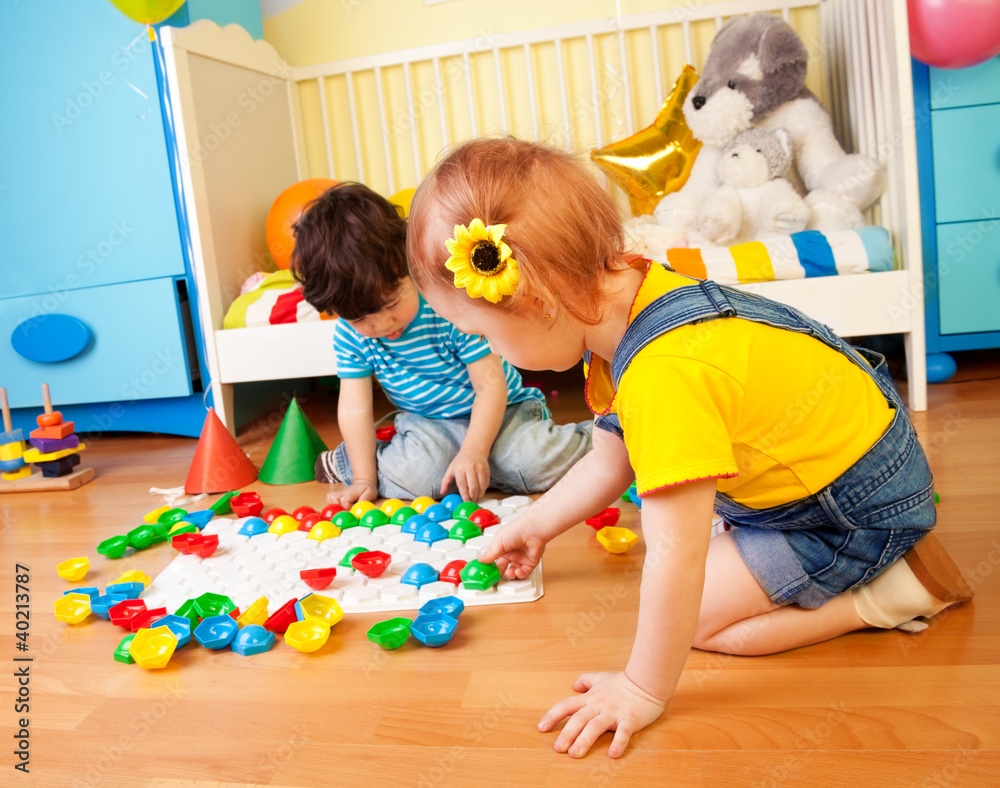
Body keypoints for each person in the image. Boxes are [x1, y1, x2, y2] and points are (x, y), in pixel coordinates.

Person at [405, 137, 974, 759]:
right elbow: (607, 459)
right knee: (679, 566)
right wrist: (537, 524)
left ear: (538, 302)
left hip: (846, 511)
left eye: (482, 336)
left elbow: (674, 560)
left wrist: (642, 689)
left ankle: (889, 593)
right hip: (836, 464)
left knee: (697, 620)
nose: (486, 356)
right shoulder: (629, 294)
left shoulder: (663, 372)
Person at [290, 181, 592, 507]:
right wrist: (364, 479)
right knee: (418, 477)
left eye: (390, 304)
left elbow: (491, 387)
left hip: (503, 412)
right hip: (431, 425)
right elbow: (354, 408)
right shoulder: (351, 334)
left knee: (532, 463)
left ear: (409, 266)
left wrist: (475, 451)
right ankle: (353, 462)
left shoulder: (446, 308)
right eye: (360, 318)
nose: (380, 325)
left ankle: (616, 436)